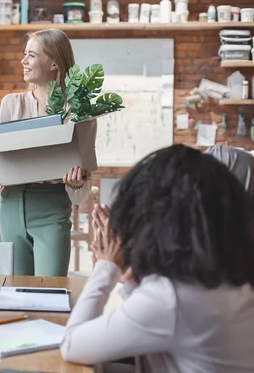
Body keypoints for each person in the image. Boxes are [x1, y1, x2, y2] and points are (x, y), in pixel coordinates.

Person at [61, 144, 254, 373]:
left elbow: (72, 343)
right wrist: (126, 274)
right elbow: (166, 326)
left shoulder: (171, 298)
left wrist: (106, 266)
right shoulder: (228, 275)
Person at [0, 29, 93, 277]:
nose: (23, 61)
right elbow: (1, 160)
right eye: (24, 54)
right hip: (10, 206)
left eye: (31, 55)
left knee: (50, 292)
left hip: (51, 207)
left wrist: (77, 182)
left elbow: (83, 180)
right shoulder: (12, 104)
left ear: (53, 63)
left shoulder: (76, 111)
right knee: (15, 293)